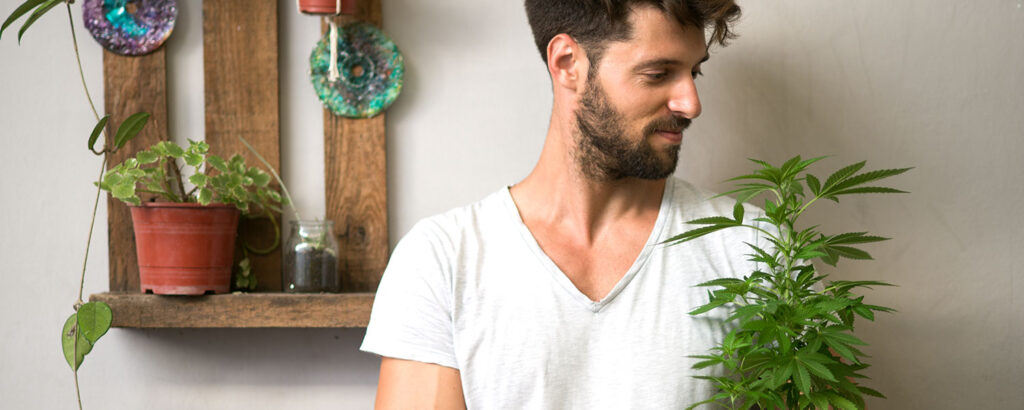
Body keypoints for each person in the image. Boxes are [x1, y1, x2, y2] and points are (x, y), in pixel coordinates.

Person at [360, 1, 748, 408]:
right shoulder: (443, 261)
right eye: (658, 74)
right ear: (567, 63)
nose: (691, 103)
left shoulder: (753, 249)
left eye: (694, 71)